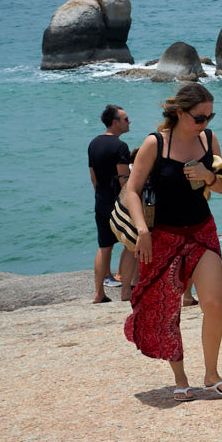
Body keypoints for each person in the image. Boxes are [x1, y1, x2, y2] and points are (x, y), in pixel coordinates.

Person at [122, 83, 222, 400]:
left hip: (201, 229)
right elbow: (132, 189)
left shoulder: (208, 141)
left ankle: (211, 374)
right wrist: (142, 231)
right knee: (166, 310)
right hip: (163, 236)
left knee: (214, 303)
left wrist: (207, 175)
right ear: (181, 112)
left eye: (210, 117)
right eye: (200, 117)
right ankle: (180, 378)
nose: (206, 123)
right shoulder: (154, 144)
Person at [88, 104, 135, 303]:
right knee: (131, 244)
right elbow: (124, 180)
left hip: (101, 200)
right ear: (115, 122)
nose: (129, 121)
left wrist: (101, 197)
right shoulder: (120, 147)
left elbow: (93, 178)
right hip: (119, 203)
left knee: (104, 247)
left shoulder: (93, 143)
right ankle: (126, 291)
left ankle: (99, 294)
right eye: (125, 119)